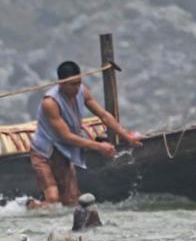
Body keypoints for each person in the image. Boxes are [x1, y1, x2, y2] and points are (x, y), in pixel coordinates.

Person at [29, 60, 142, 207]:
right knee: (53, 199)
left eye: (78, 82)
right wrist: (99, 147)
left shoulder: (82, 90)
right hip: (43, 154)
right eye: (72, 84)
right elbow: (67, 136)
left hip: (63, 152)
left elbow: (103, 115)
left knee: (71, 202)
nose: (77, 88)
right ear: (61, 83)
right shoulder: (50, 103)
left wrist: (125, 136)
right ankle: (30, 205)